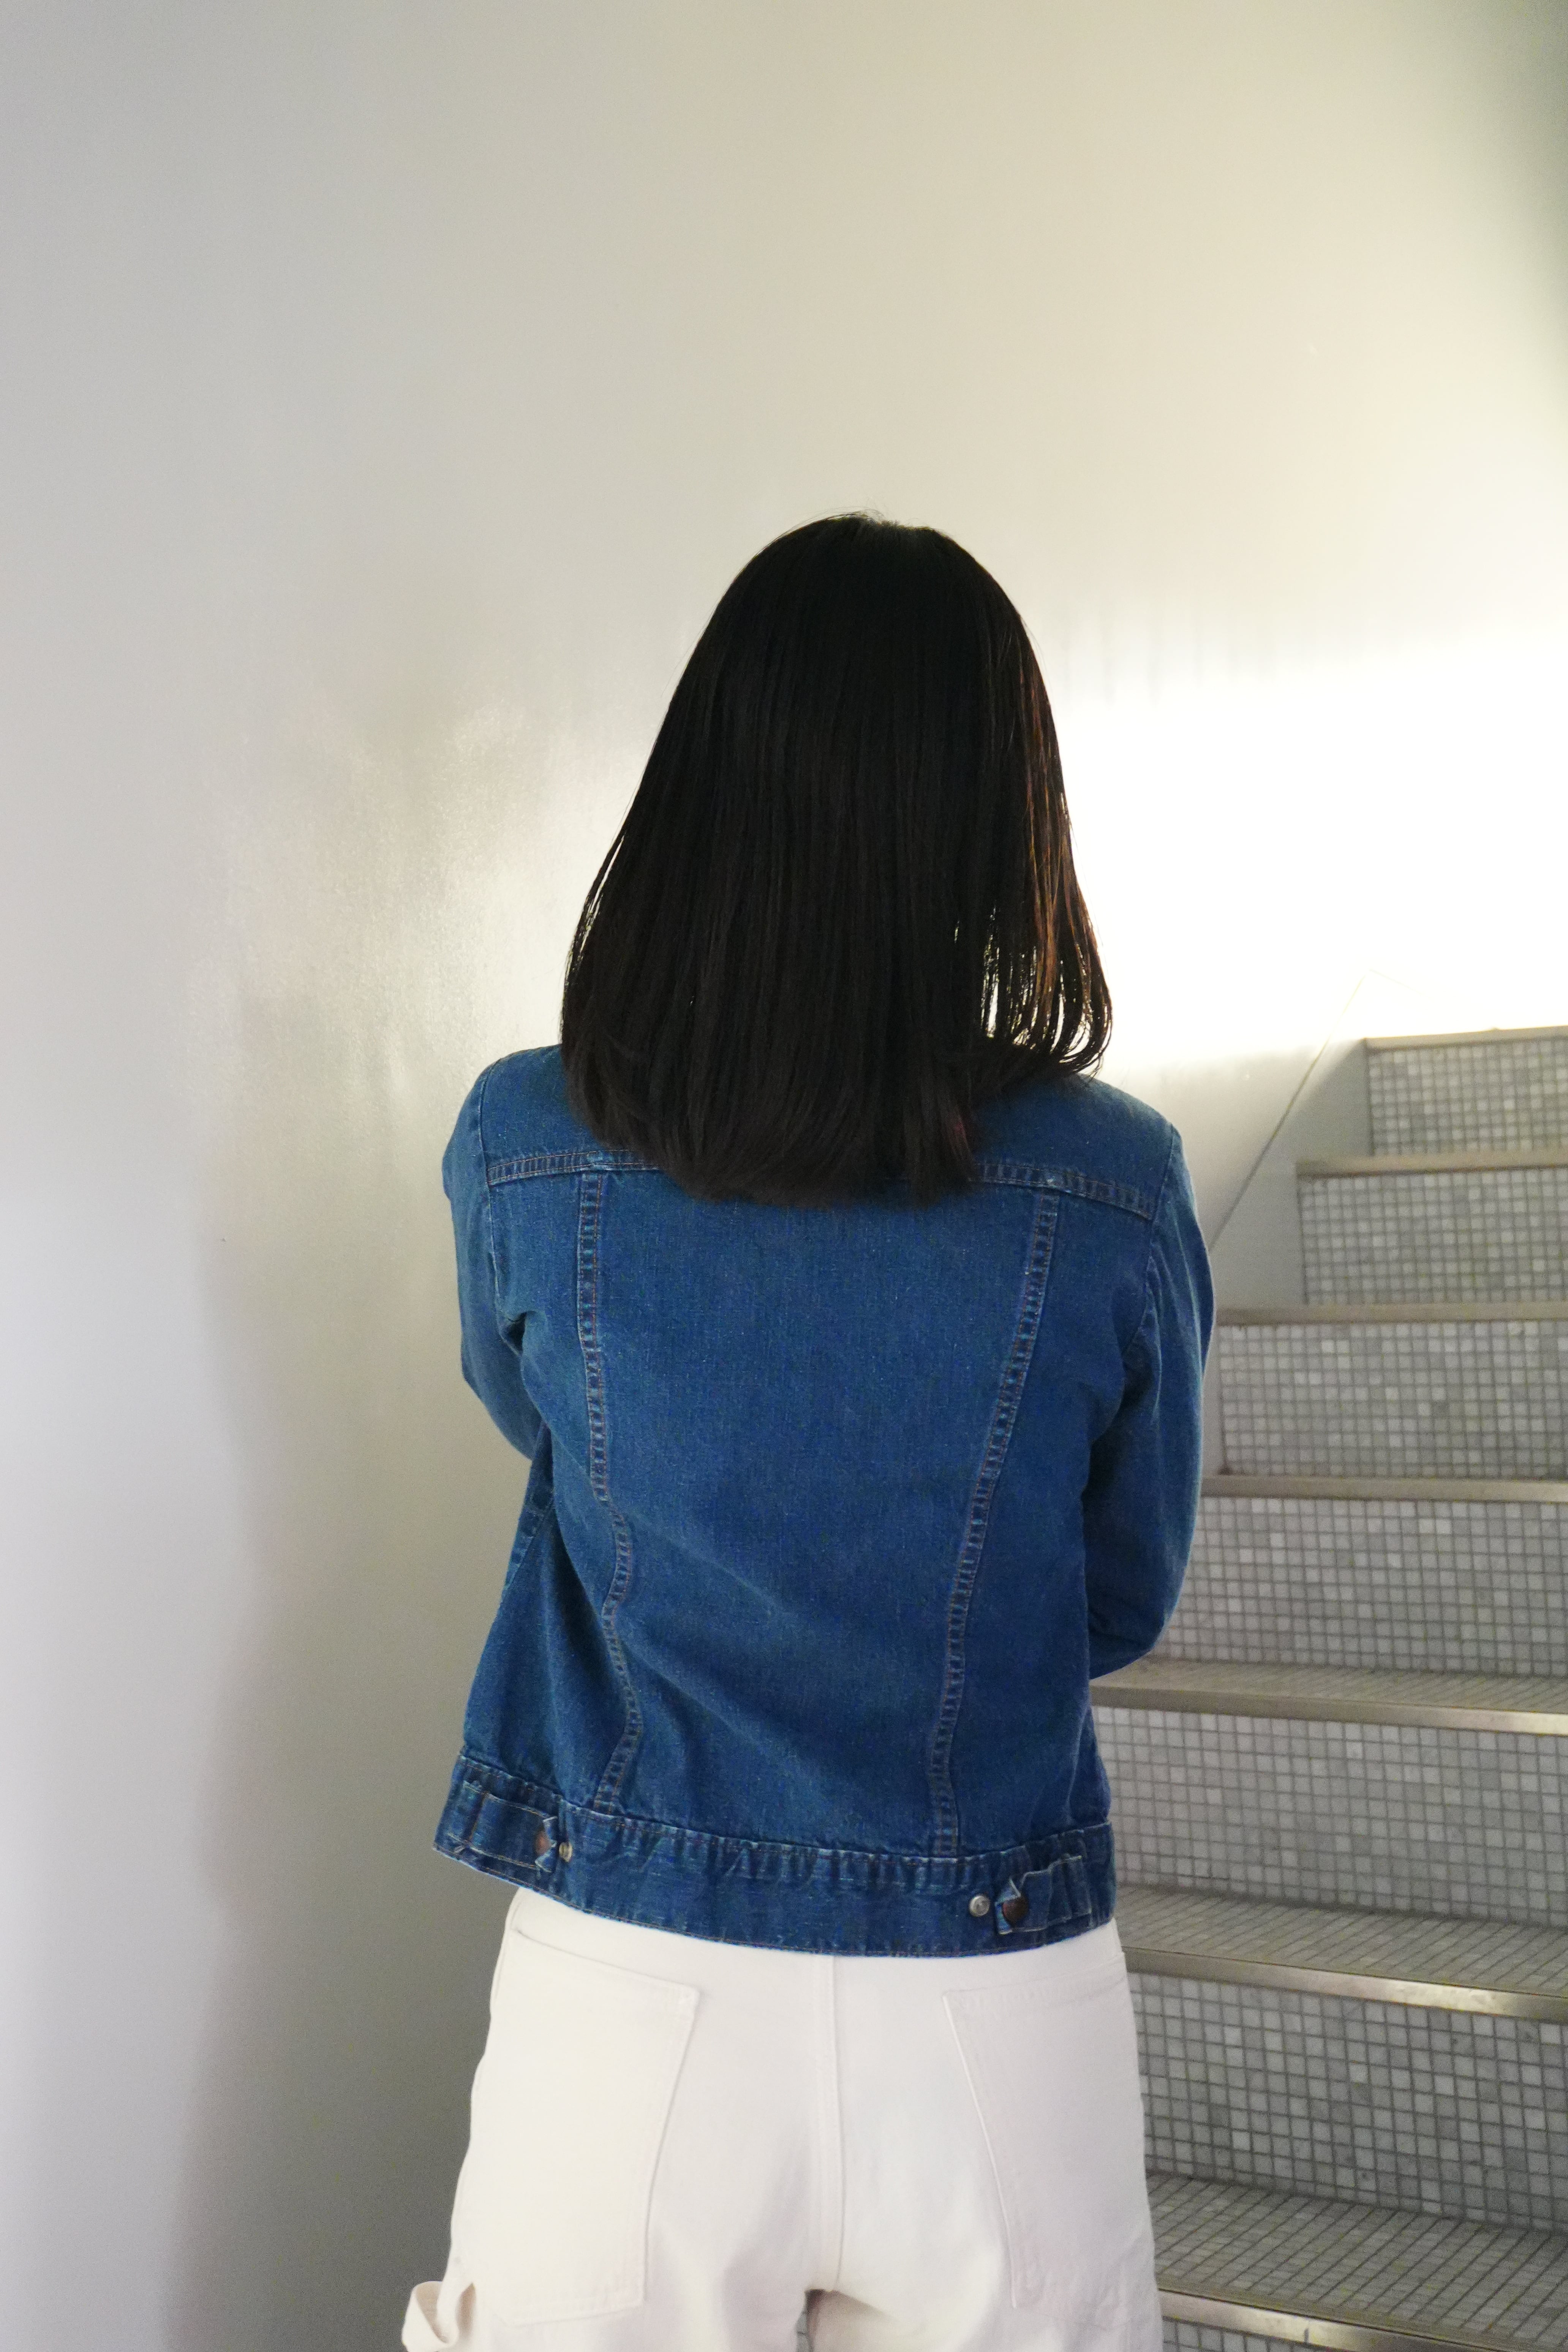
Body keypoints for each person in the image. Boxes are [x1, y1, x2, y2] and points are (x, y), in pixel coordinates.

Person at [403, 514, 1214, 2352]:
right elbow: (1119, 1589)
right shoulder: (1114, 1185)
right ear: (1000, 825)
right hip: (995, 1996)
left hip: (635, 1992)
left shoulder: (528, 1145)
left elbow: (532, 1423)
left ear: (702, 789)